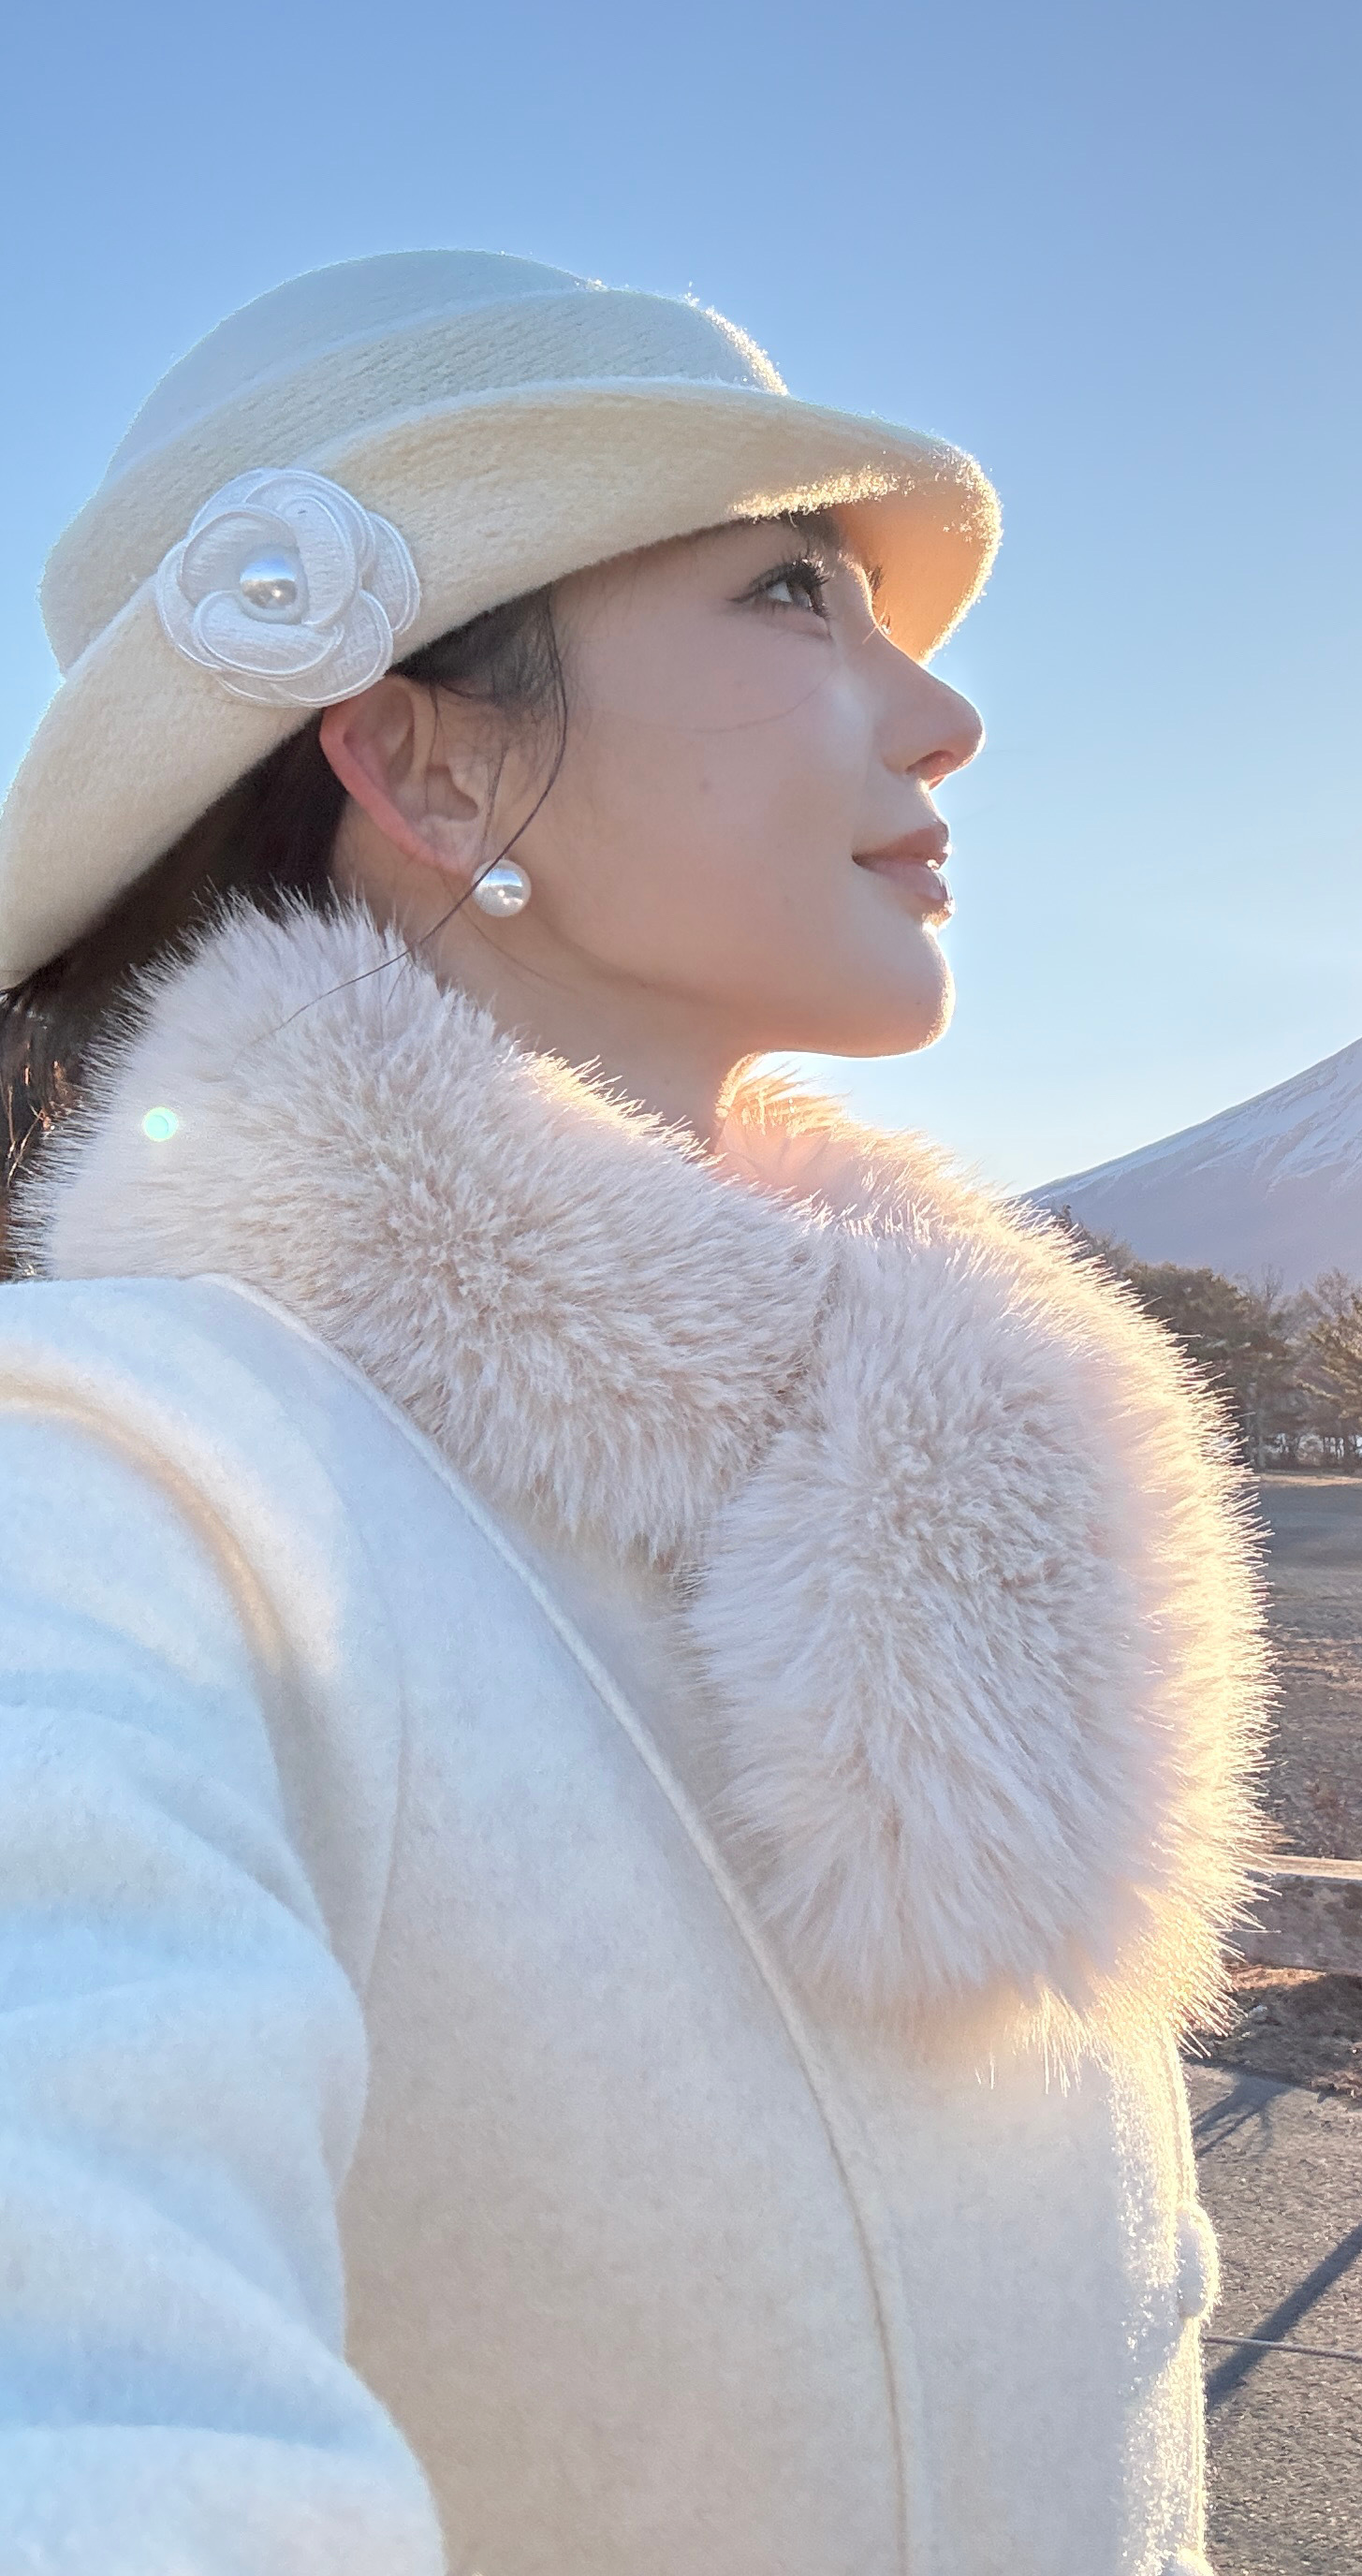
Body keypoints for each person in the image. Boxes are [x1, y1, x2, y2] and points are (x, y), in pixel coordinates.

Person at [0, 251, 1267, 2574]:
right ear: (426, 758)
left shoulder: (946, 1516)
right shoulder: (121, 1506)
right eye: (791, 592)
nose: (942, 713)